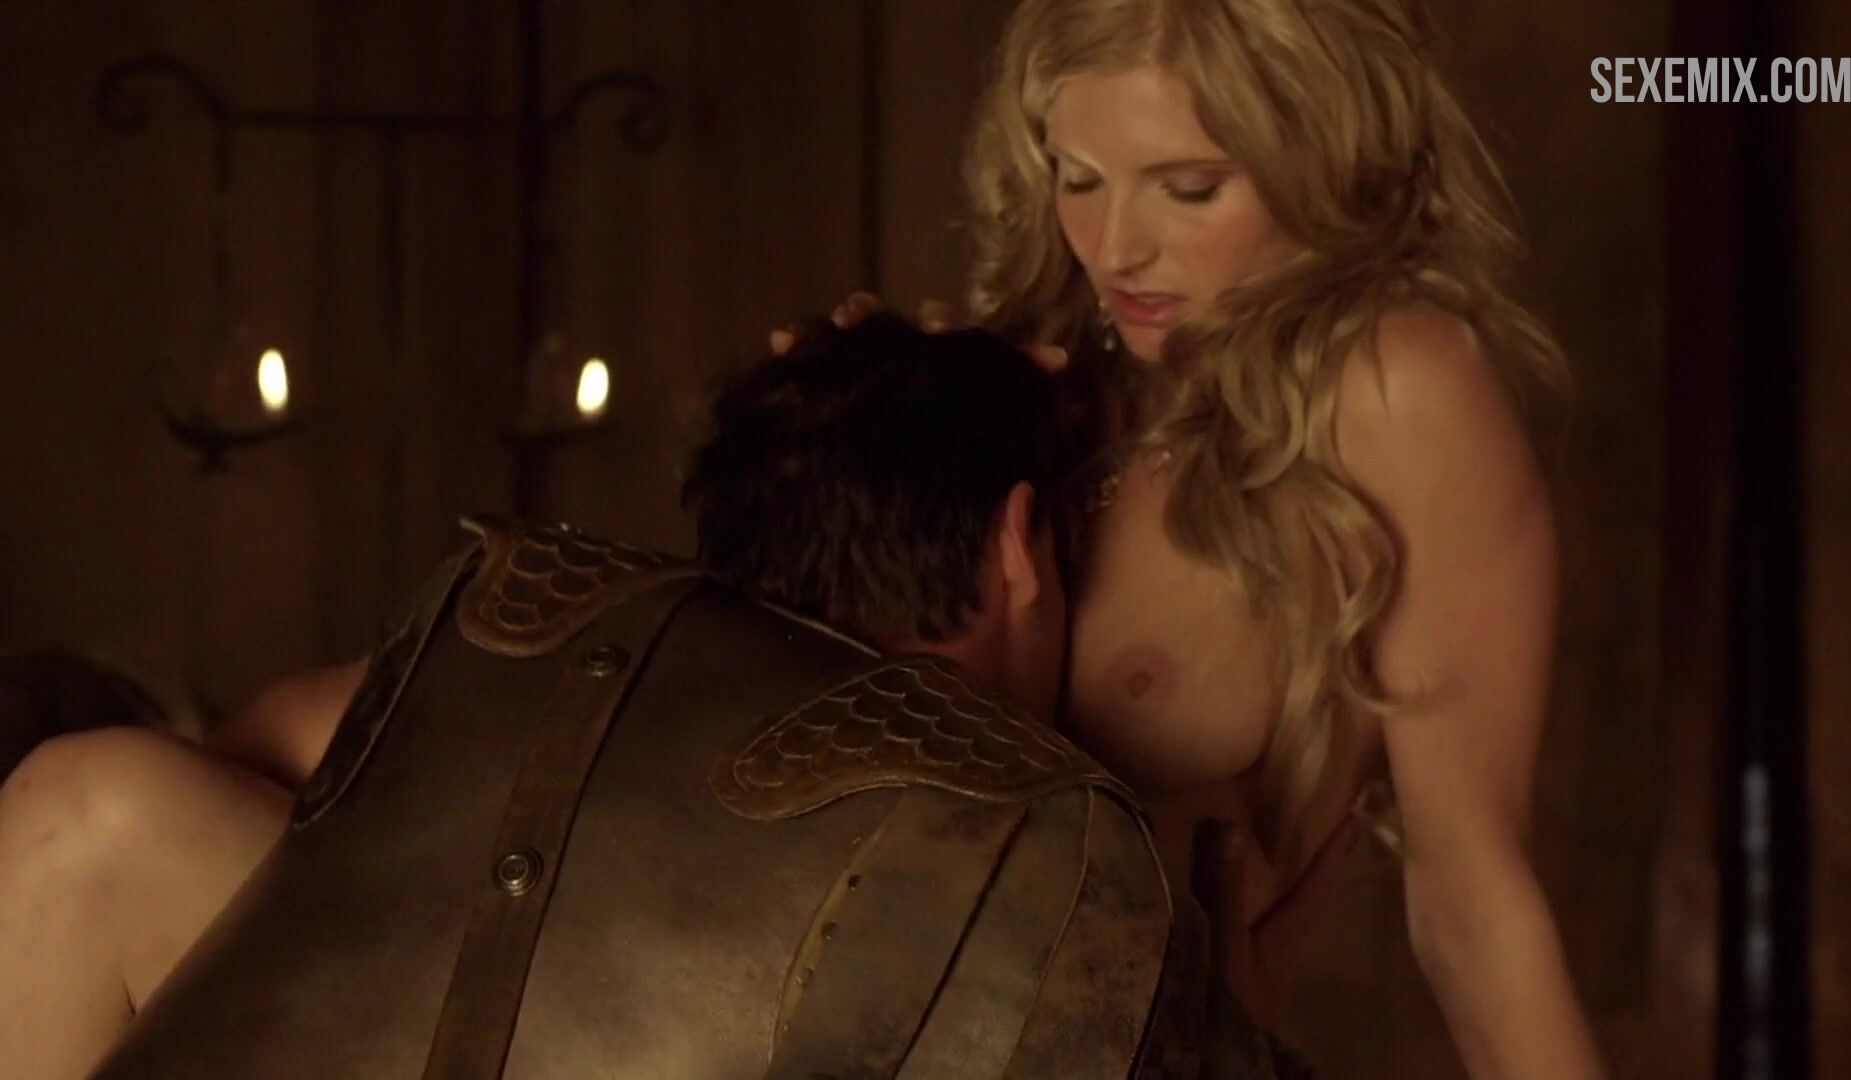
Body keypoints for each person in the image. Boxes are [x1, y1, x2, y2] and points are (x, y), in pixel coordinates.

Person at [4, 316, 1298, 1079]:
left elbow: (265, 765)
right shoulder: (1061, 848)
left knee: (97, 801)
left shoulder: (552, 657)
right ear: (1021, 544)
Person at [919, 0, 1603, 1076]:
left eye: (1189, 188)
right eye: (1076, 178)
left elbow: (1471, 904)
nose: (1115, 247)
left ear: (1314, 158)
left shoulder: (1390, 393)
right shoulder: (1032, 384)